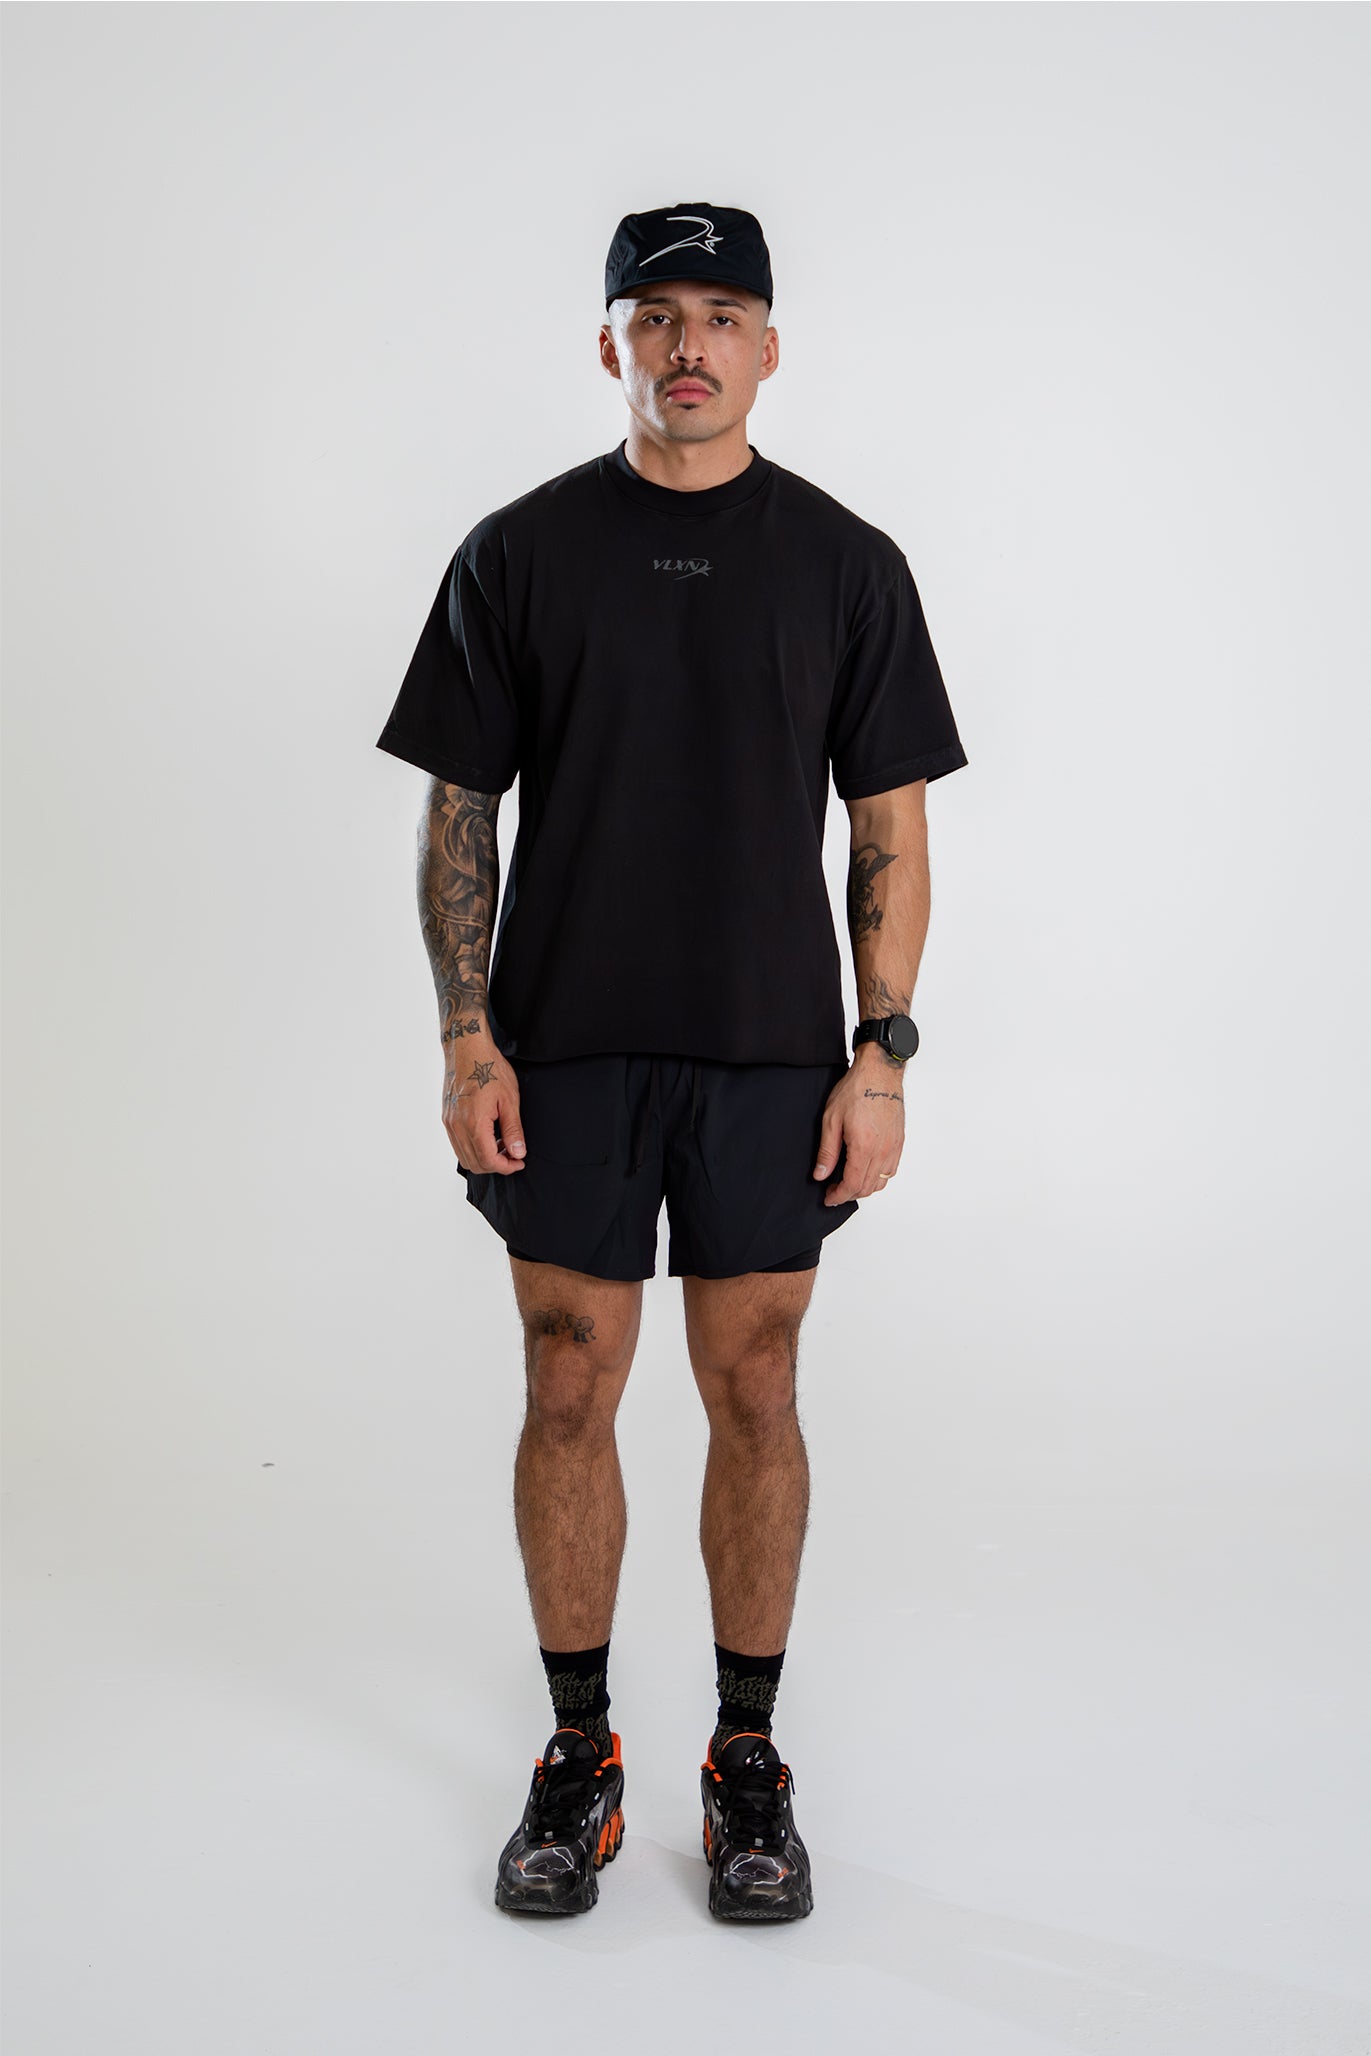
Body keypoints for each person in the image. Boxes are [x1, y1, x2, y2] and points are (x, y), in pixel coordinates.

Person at [375, 201, 968, 1922]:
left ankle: (746, 1758)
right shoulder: (519, 552)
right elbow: (459, 817)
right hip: (561, 1044)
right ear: (611, 346)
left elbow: (891, 830)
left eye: (719, 314)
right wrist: (466, 1033)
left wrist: (882, 1053)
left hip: (770, 1052)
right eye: (656, 315)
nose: (687, 344)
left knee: (756, 1385)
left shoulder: (848, 564)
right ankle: (580, 1755)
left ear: (770, 348)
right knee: (568, 1376)